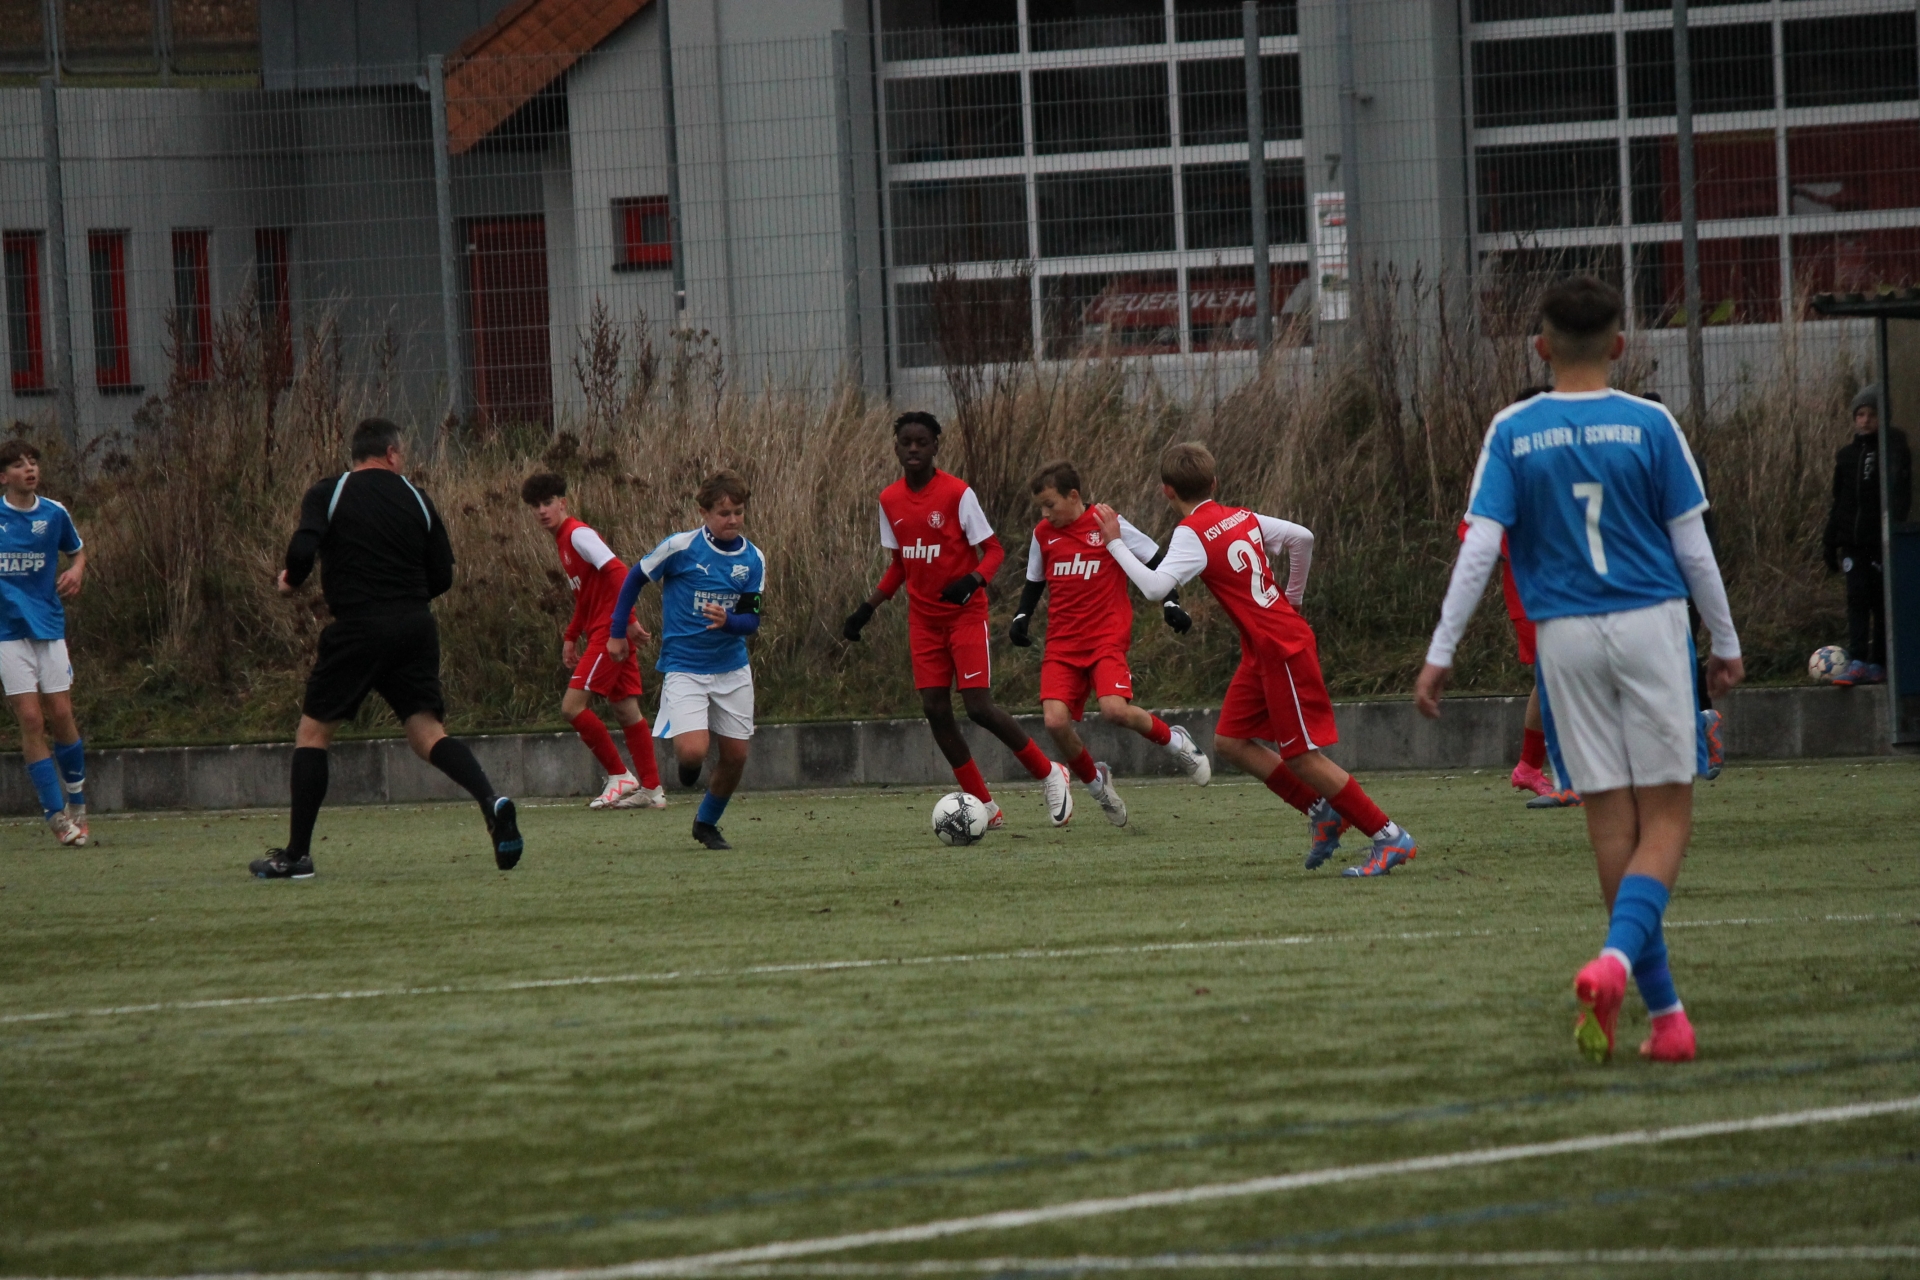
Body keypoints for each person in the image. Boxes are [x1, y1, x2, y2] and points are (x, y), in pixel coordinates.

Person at [1415, 276, 1743, 1065]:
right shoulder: (1651, 423)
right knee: (1666, 818)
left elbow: (1480, 549)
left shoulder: (1513, 429)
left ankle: (1667, 1019)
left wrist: (1441, 653)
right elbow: (1694, 548)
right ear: (1620, 345)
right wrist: (1726, 642)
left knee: (1609, 823)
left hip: (1563, 638)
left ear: (1541, 347)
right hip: (1651, 624)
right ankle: (1620, 967)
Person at [1094, 442, 1419, 878]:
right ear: (1214, 482)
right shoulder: (1240, 516)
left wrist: (1115, 543)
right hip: (1263, 648)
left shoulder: (1191, 532)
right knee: (1230, 741)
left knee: (1302, 757)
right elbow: (1302, 538)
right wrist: (1293, 599)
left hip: (1281, 649)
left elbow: (1155, 588)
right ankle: (1321, 810)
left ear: (1166, 491)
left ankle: (1389, 835)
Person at [254, 418, 522, 879]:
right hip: (414, 627)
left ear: (357, 454)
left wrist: (290, 582)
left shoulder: (330, 492)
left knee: (313, 735)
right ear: (392, 453)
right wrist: (404, 599)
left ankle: (296, 856)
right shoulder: (417, 497)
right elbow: (443, 575)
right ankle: (490, 801)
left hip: (357, 627)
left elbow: (301, 551)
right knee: (428, 734)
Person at [842, 412, 1074, 830]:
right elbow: (900, 563)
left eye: (922, 442)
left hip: (964, 617)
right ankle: (984, 805)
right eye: (906, 442)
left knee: (979, 707)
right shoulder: (889, 499)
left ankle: (1049, 773)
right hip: (923, 622)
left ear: (935, 447)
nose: (914, 449)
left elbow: (994, 551)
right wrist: (868, 608)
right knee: (934, 708)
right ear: (896, 448)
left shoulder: (957, 493)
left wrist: (973, 581)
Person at [1009, 459, 1211, 826]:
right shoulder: (1043, 533)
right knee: (1054, 722)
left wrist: (1171, 603)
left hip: (1105, 639)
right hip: (1062, 644)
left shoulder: (1107, 522)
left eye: (1050, 504)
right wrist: (1022, 616)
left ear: (1074, 496)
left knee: (1115, 711)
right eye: (1040, 507)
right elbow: (1034, 580)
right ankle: (1096, 783)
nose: (1045, 514)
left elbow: (1157, 560)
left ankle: (1175, 742)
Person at [607, 469, 764, 851]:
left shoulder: (753, 559)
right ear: (703, 513)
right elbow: (635, 578)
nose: (732, 520)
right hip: (685, 667)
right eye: (724, 513)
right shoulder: (680, 547)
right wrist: (618, 630)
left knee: (736, 756)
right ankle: (689, 766)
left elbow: (751, 621)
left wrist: (729, 622)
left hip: (731, 668)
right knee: (693, 752)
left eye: (738, 512)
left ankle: (705, 824)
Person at [521, 472, 665, 811]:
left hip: (608, 633)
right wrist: (571, 635)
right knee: (626, 709)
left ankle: (619, 775)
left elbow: (620, 572)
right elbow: (587, 595)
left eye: (547, 503)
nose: (542, 510)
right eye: (535, 505)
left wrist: (624, 624)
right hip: (606, 629)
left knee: (571, 708)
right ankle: (652, 789)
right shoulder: (563, 541)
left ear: (562, 503)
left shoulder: (578, 534)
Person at [0, 439, 90, 846]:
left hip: (48, 626)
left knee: (61, 713)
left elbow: (78, 552)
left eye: (33, 462)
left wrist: (77, 571)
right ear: (4, 477)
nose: (29, 469)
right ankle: (56, 816)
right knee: (31, 719)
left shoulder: (54, 513)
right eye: (19, 465)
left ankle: (78, 803)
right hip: (6, 633)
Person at [1824, 384, 1912, 687]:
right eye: (1860, 415)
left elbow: (1901, 494)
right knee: (1857, 598)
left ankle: (1879, 661)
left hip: (1879, 542)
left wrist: (1893, 528)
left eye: (1871, 415)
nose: (1865, 421)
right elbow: (1839, 500)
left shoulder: (1892, 450)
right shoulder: (1846, 456)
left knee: (1880, 601)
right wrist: (1831, 539)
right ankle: (1858, 659)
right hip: (1853, 543)